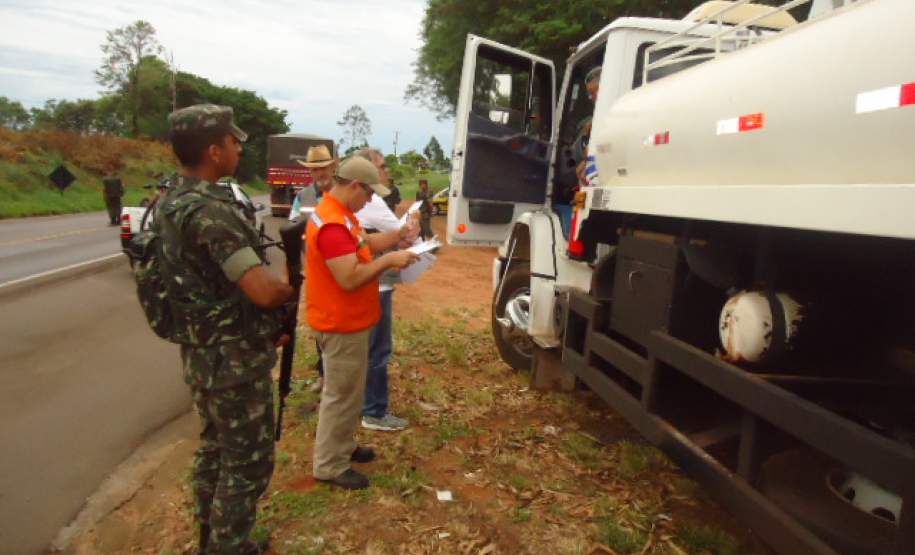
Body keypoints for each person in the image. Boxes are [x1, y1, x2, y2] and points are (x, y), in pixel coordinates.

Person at [159, 104, 294, 555]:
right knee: (248, 463)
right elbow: (260, 289)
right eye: (233, 141)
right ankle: (229, 547)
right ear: (214, 151)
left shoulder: (171, 202)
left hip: (202, 355)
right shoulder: (211, 213)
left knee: (215, 452)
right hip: (233, 361)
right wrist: (287, 288)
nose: (239, 148)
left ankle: (211, 539)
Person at [306, 156, 419, 490]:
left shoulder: (343, 216)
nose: (371, 200)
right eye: (369, 193)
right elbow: (349, 277)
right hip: (339, 323)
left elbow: (365, 244)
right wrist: (388, 261)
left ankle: (342, 446)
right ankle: (329, 465)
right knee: (340, 396)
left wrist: (397, 237)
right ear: (354, 185)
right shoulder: (331, 224)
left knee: (350, 393)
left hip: (351, 321)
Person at [354, 148, 413, 432]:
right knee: (378, 350)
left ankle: (360, 405)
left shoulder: (348, 206)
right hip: (377, 285)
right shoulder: (374, 202)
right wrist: (407, 225)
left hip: (366, 284)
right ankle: (374, 411)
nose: (387, 170)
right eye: (382, 165)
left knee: (364, 350)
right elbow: (403, 235)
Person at [289, 144, 335, 222]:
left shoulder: (346, 194)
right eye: (315, 170)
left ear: (332, 167)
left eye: (323, 168)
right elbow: (293, 226)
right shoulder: (302, 197)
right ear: (310, 172)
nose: (320, 174)